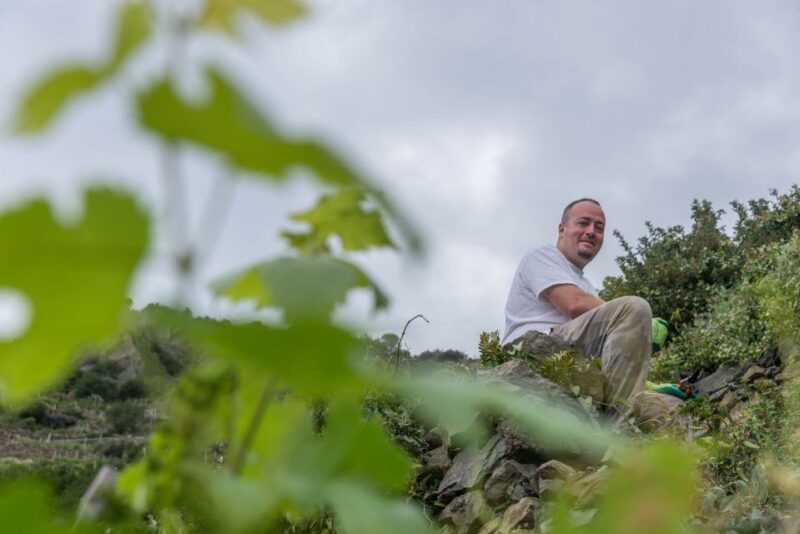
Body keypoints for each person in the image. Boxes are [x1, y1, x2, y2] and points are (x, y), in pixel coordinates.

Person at [502, 198, 652, 409]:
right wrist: (636, 318)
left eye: (599, 228)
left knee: (668, 405)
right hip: (532, 351)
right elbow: (572, 303)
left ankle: (629, 408)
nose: (591, 231)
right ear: (562, 229)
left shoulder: (587, 286)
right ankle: (622, 425)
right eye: (583, 223)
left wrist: (643, 379)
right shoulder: (542, 256)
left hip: (574, 359)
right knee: (635, 308)